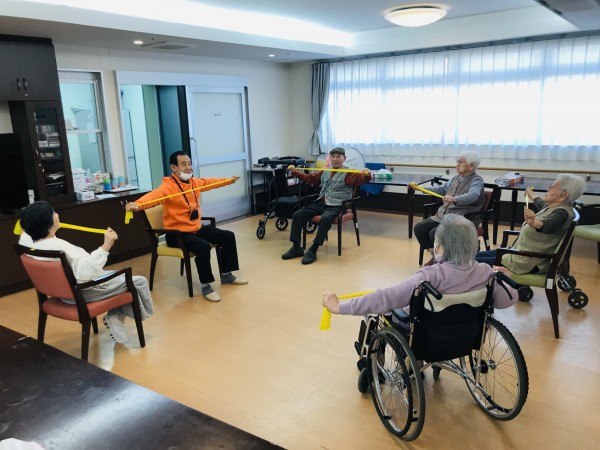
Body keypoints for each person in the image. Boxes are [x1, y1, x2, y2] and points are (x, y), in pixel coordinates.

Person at [322, 214, 517, 316]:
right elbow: (507, 301)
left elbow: (387, 297)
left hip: (426, 333)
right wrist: (503, 280)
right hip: (466, 335)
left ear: (441, 247)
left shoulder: (430, 276)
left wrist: (340, 307)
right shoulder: (485, 272)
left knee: (381, 313)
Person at [18, 201, 154, 344]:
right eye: (53, 213)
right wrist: (106, 245)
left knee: (119, 276)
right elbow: (85, 272)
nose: (57, 214)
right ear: (50, 223)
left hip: (62, 294)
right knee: (138, 282)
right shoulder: (59, 248)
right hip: (85, 292)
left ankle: (116, 316)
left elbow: (25, 234)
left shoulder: (27, 244)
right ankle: (116, 316)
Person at [126, 151, 246, 302]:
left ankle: (227, 275)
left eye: (189, 163)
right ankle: (206, 286)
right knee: (203, 247)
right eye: (184, 164)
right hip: (176, 234)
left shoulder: (194, 183)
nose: (188, 167)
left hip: (195, 229)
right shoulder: (168, 186)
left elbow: (211, 183)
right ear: (174, 167)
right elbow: (153, 197)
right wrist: (137, 204)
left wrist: (229, 181)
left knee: (228, 236)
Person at [475, 173, 586, 274]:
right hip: (519, 255)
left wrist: (535, 223)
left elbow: (550, 225)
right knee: (473, 257)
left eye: (552, 187)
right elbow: (541, 203)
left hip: (527, 261)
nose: (548, 188)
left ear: (564, 195)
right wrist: (531, 194)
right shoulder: (555, 207)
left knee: (472, 262)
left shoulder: (561, 214)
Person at [282, 147, 371, 265]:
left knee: (325, 218)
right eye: (333, 156)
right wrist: (294, 172)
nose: (335, 159)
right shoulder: (325, 171)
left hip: (337, 205)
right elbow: (310, 179)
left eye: (338, 157)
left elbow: (362, 179)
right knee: (297, 215)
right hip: (321, 202)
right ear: (330, 158)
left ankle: (313, 249)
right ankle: (296, 248)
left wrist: (367, 174)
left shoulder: (349, 172)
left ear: (344, 158)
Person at [411, 151, 484, 266]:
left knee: (435, 233)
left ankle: (446, 259)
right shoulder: (456, 178)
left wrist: (455, 199)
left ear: (471, 166)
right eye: (457, 161)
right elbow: (441, 189)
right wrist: (420, 188)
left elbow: (473, 195)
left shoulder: (476, 180)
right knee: (419, 228)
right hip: (444, 216)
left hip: (461, 219)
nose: (457, 164)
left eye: (461, 162)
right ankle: (437, 257)